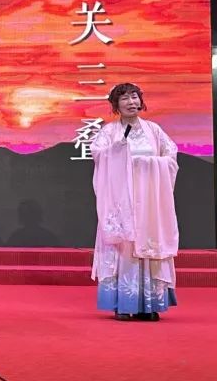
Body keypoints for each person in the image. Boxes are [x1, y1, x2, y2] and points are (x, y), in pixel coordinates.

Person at [89, 83, 179, 321]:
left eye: (135, 97)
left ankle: (148, 305)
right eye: (125, 98)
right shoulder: (109, 132)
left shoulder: (154, 130)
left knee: (149, 244)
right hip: (121, 201)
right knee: (125, 246)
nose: (131, 102)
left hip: (149, 200)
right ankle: (123, 303)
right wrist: (117, 151)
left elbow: (170, 155)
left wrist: (150, 164)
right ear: (116, 105)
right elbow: (98, 154)